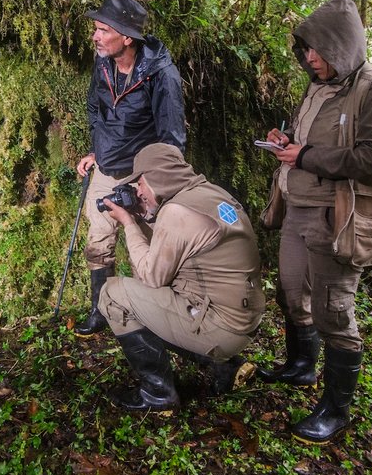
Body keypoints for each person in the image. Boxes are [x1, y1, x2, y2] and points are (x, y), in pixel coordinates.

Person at [259, 0, 372, 444]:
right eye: (305, 49)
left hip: (336, 217)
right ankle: (301, 366)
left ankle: (336, 410)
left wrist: (306, 156)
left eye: (317, 50)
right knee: (291, 293)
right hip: (296, 208)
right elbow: (308, 140)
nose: (310, 58)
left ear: (342, 46)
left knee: (332, 310)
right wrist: (286, 140)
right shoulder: (317, 86)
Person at [97, 143, 265, 411]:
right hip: (244, 320)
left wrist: (129, 223)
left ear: (157, 177)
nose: (138, 191)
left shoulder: (177, 212)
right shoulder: (211, 193)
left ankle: (157, 394)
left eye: (140, 182)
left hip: (222, 328)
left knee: (113, 294)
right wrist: (145, 218)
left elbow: (151, 278)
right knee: (148, 301)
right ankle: (225, 366)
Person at [74, 0, 187, 338]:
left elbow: (172, 138)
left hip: (142, 174)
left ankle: (153, 317)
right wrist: (97, 150)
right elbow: (95, 108)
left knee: (148, 248)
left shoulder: (161, 75)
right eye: (95, 29)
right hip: (106, 168)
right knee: (98, 240)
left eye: (103, 30)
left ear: (127, 37)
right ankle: (100, 310)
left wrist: (154, 183)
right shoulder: (103, 63)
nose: (95, 36)